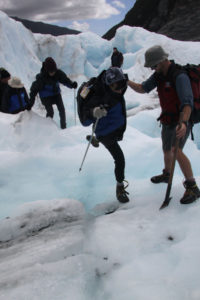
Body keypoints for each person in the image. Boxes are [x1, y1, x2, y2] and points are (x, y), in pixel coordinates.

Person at [127, 45, 200, 205]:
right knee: (166, 149)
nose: (152, 68)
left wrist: (183, 123)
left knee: (176, 150)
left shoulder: (179, 76)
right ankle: (167, 174)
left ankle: (192, 186)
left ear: (162, 61)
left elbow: (187, 103)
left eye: (154, 65)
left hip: (181, 120)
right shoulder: (159, 75)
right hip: (167, 119)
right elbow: (142, 88)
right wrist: (126, 81)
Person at [81, 67, 129, 203]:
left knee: (112, 149)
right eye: (117, 87)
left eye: (122, 85)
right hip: (105, 133)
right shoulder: (98, 97)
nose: (121, 90)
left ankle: (95, 140)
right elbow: (85, 120)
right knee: (119, 159)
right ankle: (120, 187)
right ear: (108, 85)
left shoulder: (118, 87)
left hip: (115, 129)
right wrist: (93, 112)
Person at [29, 57, 77, 129]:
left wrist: (72, 84)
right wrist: (30, 103)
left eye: (54, 71)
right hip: (45, 96)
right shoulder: (42, 78)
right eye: (51, 72)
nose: (53, 73)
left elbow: (65, 80)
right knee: (50, 112)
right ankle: (48, 129)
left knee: (62, 110)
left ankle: (63, 128)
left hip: (56, 94)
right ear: (47, 70)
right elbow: (33, 90)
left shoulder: (58, 73)